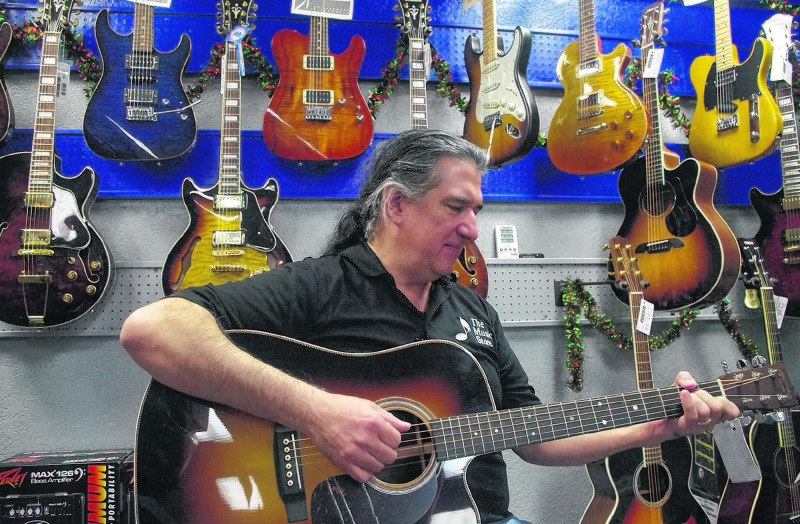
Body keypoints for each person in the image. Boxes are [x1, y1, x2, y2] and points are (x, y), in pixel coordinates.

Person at [120, 129, 740, 524]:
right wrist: (316, 412)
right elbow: (152, 331)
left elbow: (534, 437)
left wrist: (659, 422)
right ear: (395, 204)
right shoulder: (322, 286)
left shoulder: (472, 311)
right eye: (455, 207)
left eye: (477, 210)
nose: (472, 227)